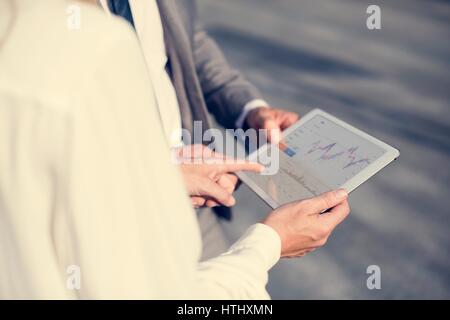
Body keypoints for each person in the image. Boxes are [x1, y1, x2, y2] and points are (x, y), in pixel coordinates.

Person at [0, 0, 350, 299]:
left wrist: (249, 110)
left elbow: (188, 43)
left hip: (197, 193)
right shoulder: (89, 55)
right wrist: (269, 244)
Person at [98, 0, 301, 259]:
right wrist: (161, 175)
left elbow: (189, 43)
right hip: (113, 219)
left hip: (197, 210)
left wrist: (249, 109)